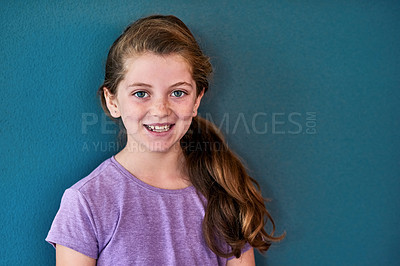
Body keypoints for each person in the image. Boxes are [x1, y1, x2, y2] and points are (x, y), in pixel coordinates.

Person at [46, 14, 283, 265]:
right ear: (112, 101)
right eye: (141, 93)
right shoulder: (85, 202)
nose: (160, 109)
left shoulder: (224, 191)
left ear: (197, 100)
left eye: (178, 92)